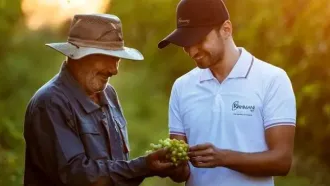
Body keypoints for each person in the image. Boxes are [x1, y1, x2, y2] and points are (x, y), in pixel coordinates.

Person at [23, 13, 176, 186]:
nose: (114, 70)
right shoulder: (50, 103)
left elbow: (114, 169)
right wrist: (143, 166)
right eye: (107, 58)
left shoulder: (108, 94)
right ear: (77, 55)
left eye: (117, 59)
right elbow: (77, 176)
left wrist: (145, 167)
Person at [157, 0, 296, 185]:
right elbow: (181, 173)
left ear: (226, 29)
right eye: (185, 44)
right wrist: (171, 165)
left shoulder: (272, 80)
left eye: (198, 41)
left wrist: (223, 158)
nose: (192, 51)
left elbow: (282, 162)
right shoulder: (182, 87)